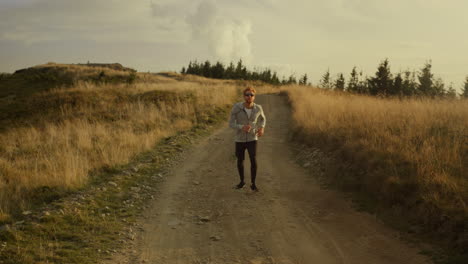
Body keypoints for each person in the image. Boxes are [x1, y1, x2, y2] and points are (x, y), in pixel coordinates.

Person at [228, 86, 266, 191]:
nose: (249, 97)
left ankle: (253, 184)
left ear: (254, 97)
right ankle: (242, 182)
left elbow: (263, 119)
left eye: (251, 95)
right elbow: (231, 123)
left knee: (253, 160)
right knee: (240, 160)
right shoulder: (237, 107)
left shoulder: (258, 108)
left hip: (252, 138)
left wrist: (262, 128)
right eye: (247, 95)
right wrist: (241, 127)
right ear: (244, 96)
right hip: (239, 139)